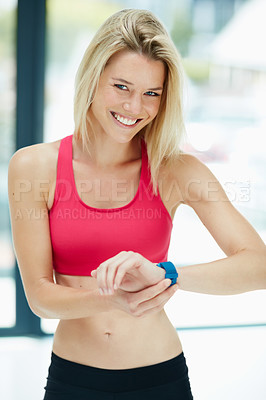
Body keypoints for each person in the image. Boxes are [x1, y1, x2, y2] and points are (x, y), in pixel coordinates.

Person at [7, 8, 266, 400]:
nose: (134, 107)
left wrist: (166, 274)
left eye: (151, 93)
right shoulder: (33, 167)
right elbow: (40, 298)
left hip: (160, 379)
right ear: (93, 79)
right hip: (73, 381)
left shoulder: (177, 170)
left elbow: (258, 266)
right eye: (121, 87)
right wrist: (112, 298)